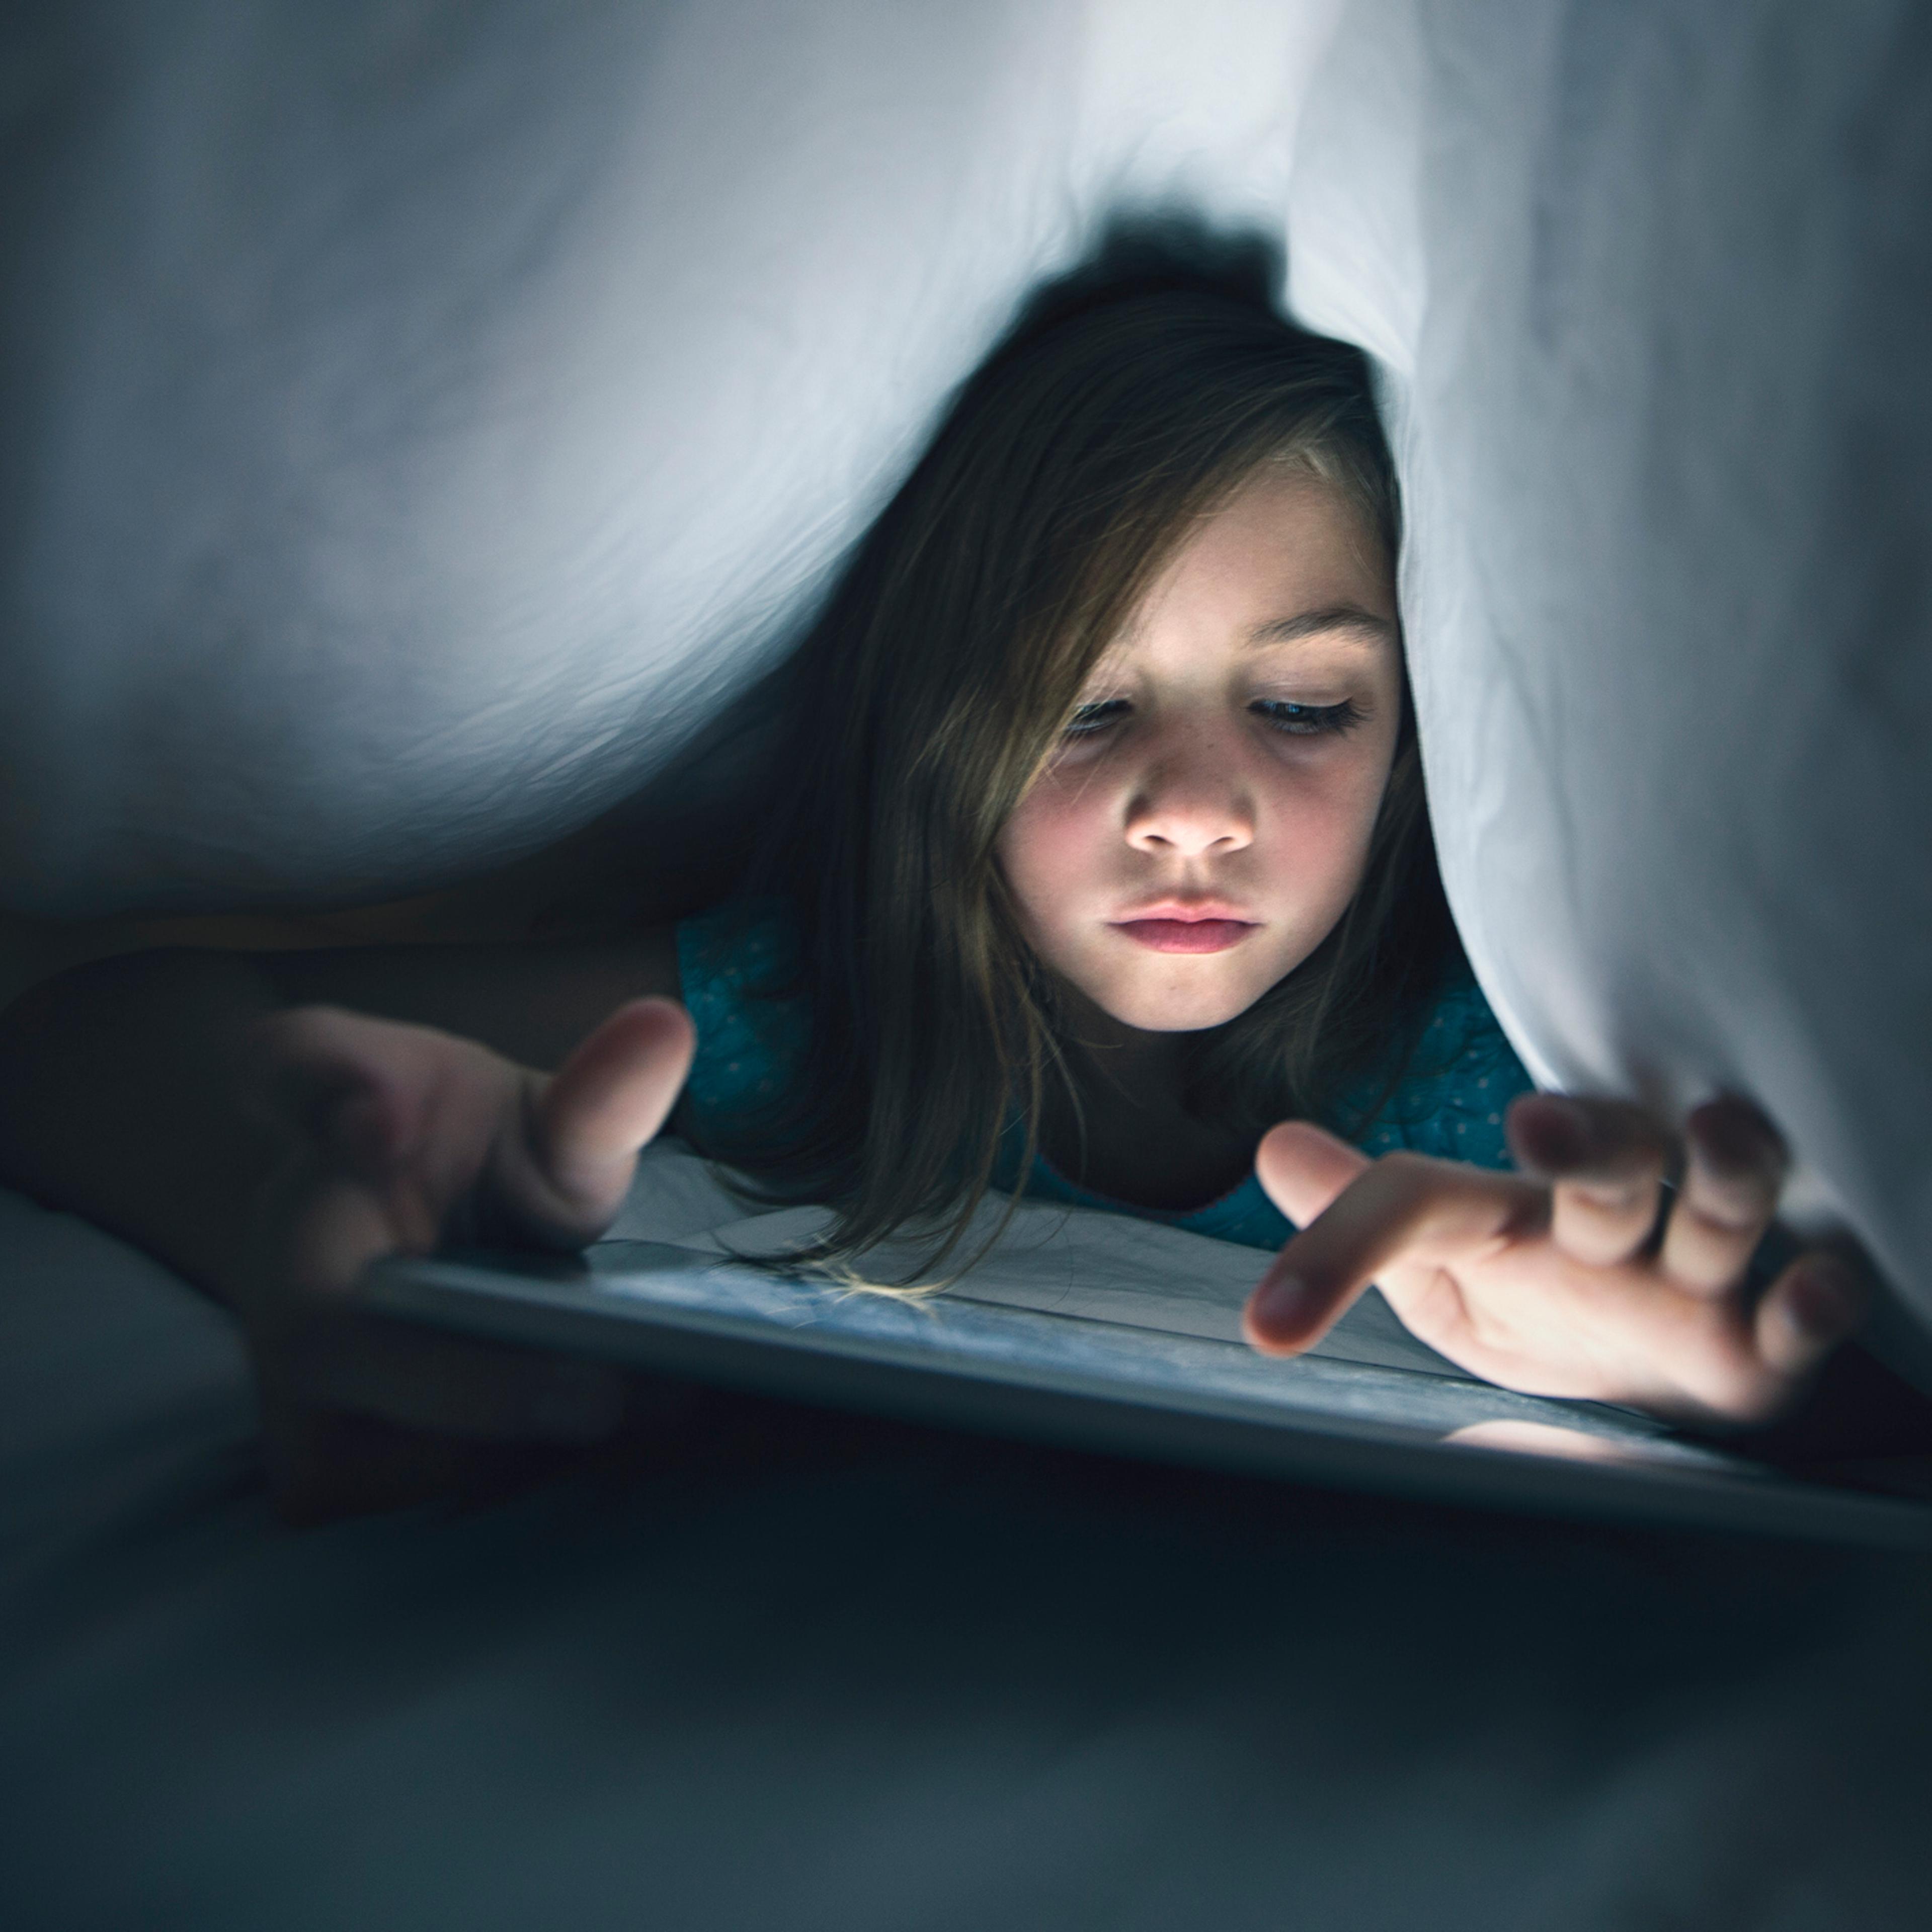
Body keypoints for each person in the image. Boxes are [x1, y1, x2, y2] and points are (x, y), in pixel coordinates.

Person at [0, 254, 1868, 1520]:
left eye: (1304, 707)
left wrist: (1733, 1389)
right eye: (1080, 709)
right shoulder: (813, 1022)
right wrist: (300, 1205)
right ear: (935, 748)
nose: (1190, 812)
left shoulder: (1492, 1101)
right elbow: (88, 1030)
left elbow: (1843, 1396)